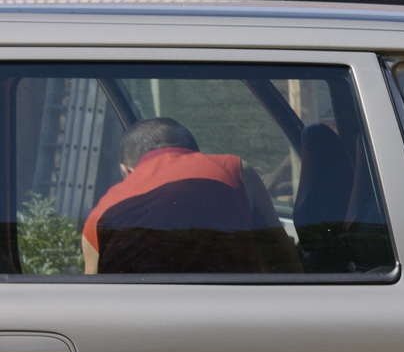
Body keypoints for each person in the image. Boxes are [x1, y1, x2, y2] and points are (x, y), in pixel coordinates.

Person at [83, 117, 299, 274]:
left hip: (141, 319)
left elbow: (92, 291)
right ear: (195, 152)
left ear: (126, 170)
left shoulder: (99, 215)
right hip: (230, 309)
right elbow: (281, 254)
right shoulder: (234, 168)